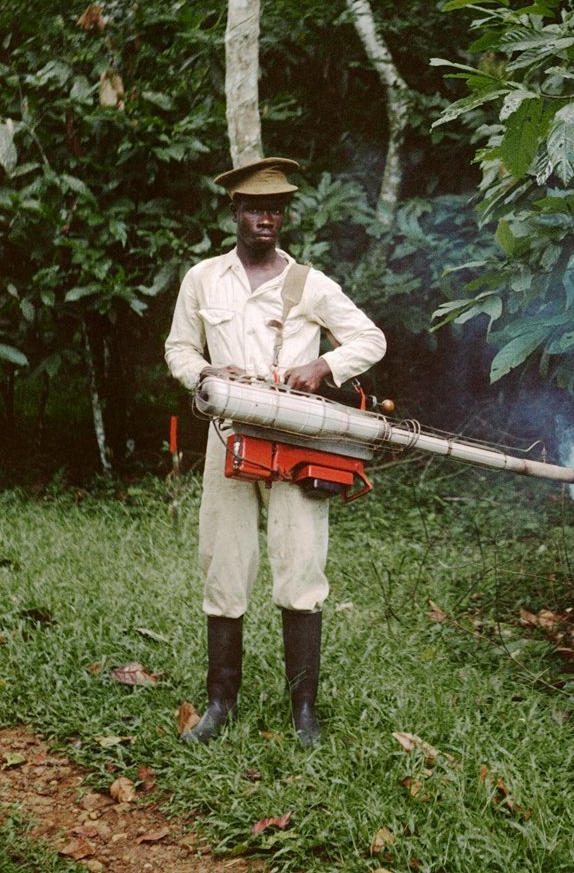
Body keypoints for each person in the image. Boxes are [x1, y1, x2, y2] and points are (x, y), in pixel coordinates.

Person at [164, 156, 386, 746]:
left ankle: (303, 713)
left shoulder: (308, 283)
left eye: (277, 209)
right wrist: (210, 372)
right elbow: (179, 350)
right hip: (228, 436)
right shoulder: (204, 278)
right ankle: (219, 702)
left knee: (301, 563)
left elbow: (370, 337)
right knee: (224, 562)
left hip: (296, 441)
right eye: (256, 208)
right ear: (234, 212)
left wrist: (324, 365)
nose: (267, 218)